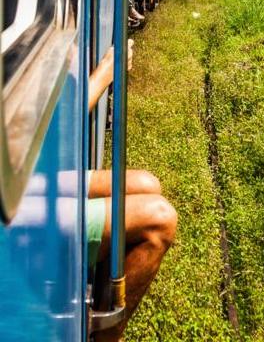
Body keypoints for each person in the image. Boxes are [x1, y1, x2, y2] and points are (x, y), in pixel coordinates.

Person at [88, 42, 177, 341]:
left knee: (147, 184)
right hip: (20, 200)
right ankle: (106, 338)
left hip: (37, 178)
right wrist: (104, 74)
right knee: (160, 220)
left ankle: (96, 310)